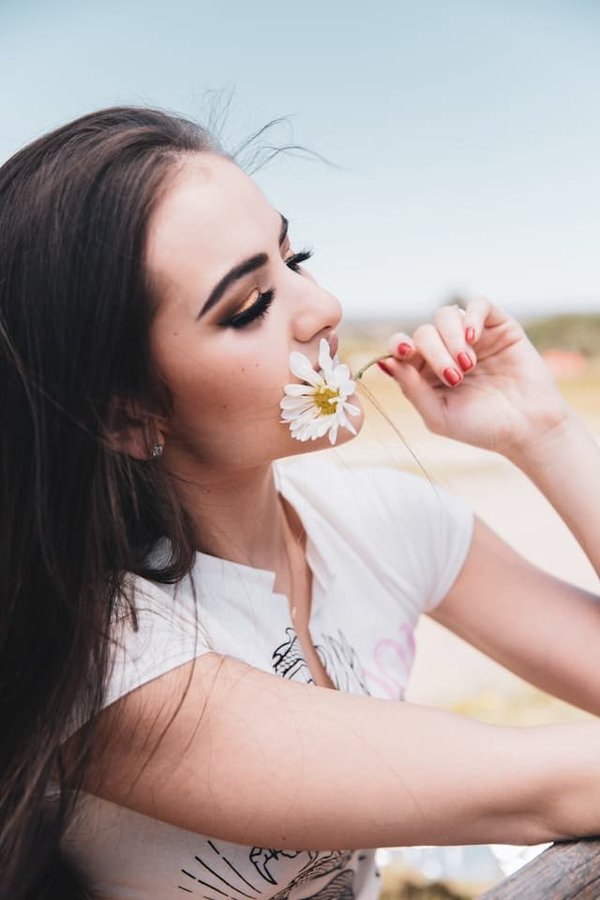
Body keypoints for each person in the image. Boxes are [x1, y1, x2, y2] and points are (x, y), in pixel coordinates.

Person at [1, 106, 600, 900]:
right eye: (248, 307)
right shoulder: (112, 654)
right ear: (127, 413)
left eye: (297, 258)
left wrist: (546, 432)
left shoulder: (379, 521)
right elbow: (556, 785)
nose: (324, 309)